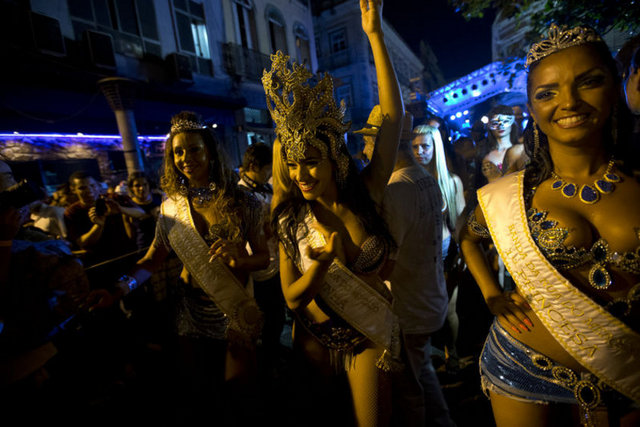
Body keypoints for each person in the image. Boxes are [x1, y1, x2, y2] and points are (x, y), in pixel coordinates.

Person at [460, 24, 640, 426]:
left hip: (629, 373)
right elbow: (468, 238)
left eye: (589, 82)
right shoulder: (512, 194)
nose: (569, 102)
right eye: (547, 92)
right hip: (521, 368)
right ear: (533, 108)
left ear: (615, 88)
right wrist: (492, 295)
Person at [265, 1, 404, 425]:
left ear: (334, 160)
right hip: (313, 338)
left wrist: (375, 36)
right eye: (292, 163)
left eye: (309, 161)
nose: (300, 173)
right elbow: (291, 296)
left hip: (370, 334)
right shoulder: (289, 218)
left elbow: (394, 118)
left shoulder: (366, 192)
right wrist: (322, 266)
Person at [87, 111, 270, 425]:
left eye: (194, 149)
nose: (186, 158)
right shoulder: (170, 207)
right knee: (198, 397)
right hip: (188, 313)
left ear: (210, 151)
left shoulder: (245, 202)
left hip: (233, 311)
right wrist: (117, 290)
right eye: (178, 152)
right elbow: (151, 261)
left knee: (240, 396)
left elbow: (264, 258)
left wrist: (239, 259)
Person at [375, 111, 455, 426]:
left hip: (410, 308)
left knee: (410, 393)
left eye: (371, 140)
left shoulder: (398, 187)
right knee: (422, 374)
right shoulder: (424, 179)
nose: (367, 149)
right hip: (427, 300)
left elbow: (387, 260)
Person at [237, 142, 286, 385]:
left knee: (276, 319)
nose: (270, 173)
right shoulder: (241, 195)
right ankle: (263, 370)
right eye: (268, 168)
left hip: (274, 263)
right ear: (254, 166)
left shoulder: (266, 188)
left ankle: (271, 361)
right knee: (261, 321)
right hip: (255, 270)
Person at [64, 171, 144, 268]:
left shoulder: (113, 199)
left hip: (127, 255)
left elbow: (140, 213)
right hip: (100, 262)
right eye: (82, 188)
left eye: (92, 185)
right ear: (73, 190)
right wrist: (98, 225)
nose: (89, 190)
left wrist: (121, 209)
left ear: (98, 185)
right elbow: (83, 243)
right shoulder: (72, 212)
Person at [480, 105, 524, 183]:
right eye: (495, 123)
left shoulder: (522, 148)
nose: (500, 126)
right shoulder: (488, 157)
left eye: (505, 121)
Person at [125, 171, 162, 250]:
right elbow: (131, 236)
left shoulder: (158, 198)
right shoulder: (129, 206)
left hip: (165, 244)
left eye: (145, 184)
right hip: (144, 247)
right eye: (137, 185)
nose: (141, 188)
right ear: (132, 188)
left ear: (149, 185)